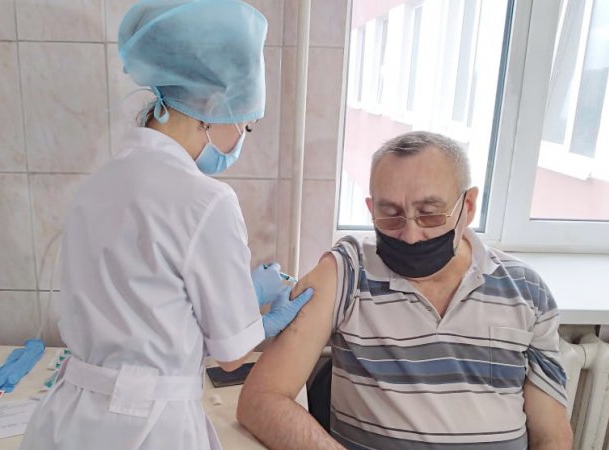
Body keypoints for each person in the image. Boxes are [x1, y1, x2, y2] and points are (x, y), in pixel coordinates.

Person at [20, 1, 312, 449]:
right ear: (214, 106)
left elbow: (146, 313)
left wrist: (238, 297)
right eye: (247, 126)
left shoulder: (98, 184)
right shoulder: (206, 200)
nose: (241, 139)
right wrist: (260, 316)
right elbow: (232, 355)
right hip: (149, 428)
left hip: (68, 418)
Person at [238, 131, 573, 449]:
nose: (410, 236)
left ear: (468, 206)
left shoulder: (526, 291)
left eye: (429, 214)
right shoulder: (346, 272)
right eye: (390, 215)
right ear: (371, 209)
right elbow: (261, 399)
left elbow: (552, 437)